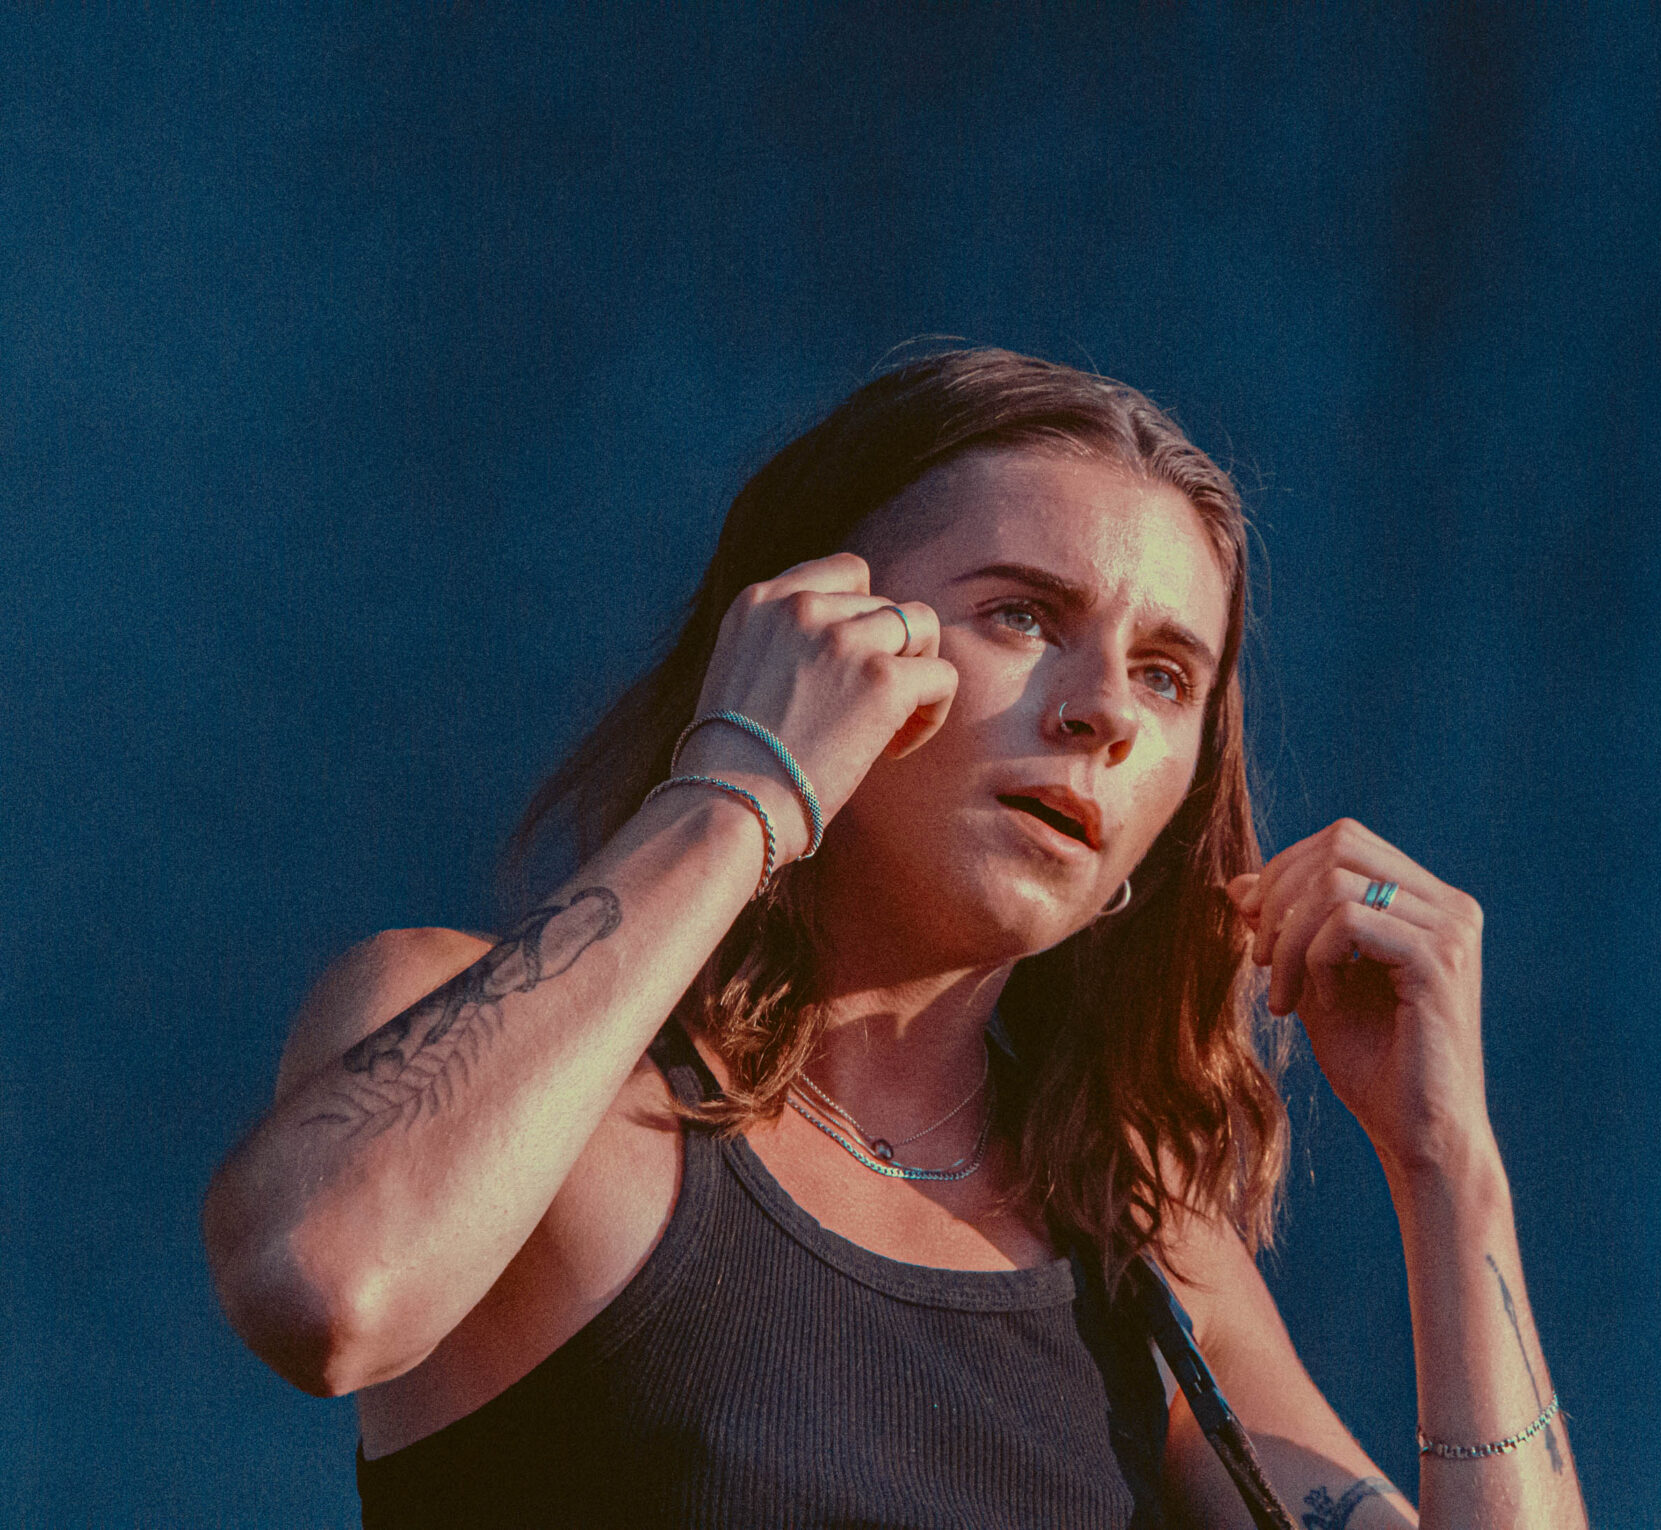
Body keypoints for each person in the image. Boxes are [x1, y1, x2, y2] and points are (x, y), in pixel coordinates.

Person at [202, 348, 1587, 1528]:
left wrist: (1448, 1163)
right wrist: (742, 785)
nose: (1106, 711)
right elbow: (322, 1284)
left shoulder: (1137, 1237)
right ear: (810, 632)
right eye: (1022, 613)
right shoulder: (484, 1045)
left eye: (1168, 675)